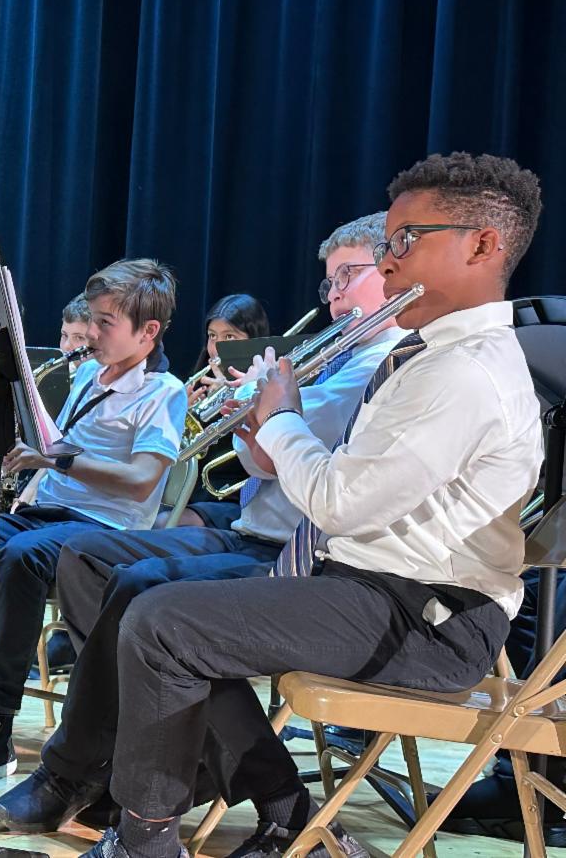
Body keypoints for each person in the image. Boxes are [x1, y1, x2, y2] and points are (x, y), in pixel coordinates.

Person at [61, 152, 544, 858]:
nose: (391, 258)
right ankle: (286, 818)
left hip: (428, 618)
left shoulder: (466, 370)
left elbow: (339, 503)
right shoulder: (432, 357)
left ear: (482, 245)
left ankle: (144, 841)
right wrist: (266, 423)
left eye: (408, 239)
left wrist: (281, 415)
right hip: (369, 586)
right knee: (165, 610)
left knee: (164, 623)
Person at [0, 211, 406, 834]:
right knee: (87, 558)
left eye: (349, 275)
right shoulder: (340, 358)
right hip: (256, 526)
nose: (335, 295)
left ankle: (77, 768)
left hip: (303, 550)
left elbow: (294, 452)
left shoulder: (382, 363)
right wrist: (254, 412)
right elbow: (263, 462)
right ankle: (150, 755)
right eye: (330, 281)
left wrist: (268, 407)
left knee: (144, 596)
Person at [0, 258, 188, 786]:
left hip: (106, 528)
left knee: (20, 558)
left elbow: (143, 480)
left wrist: (56, 459)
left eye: (105, 323)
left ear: (148, 332)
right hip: (46, 514)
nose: (92, 333)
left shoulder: (163, 391)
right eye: (92, 320)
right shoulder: (88, 374)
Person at [186, 293, 271, 408]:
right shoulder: (201, 388)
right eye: (212, 335)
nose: (216, 349)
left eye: (229, 337)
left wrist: (227, 395)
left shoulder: (272, 387)